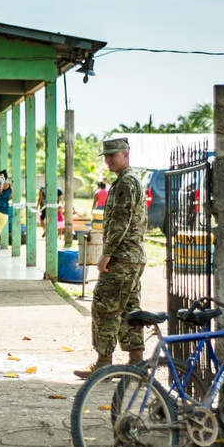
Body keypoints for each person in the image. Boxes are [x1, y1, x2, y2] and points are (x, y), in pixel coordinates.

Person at [74, 137, 147, 378]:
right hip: (132, 258)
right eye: (105, 156)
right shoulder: (128, 181)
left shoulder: (126, 183)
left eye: (112, 155)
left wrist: (106, 254)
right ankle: (136, 362)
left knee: (104, 307)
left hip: (121, 258)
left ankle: (104, 361)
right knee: (129, 308)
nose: (107, 159)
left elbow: (120, 222)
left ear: (125, 154)